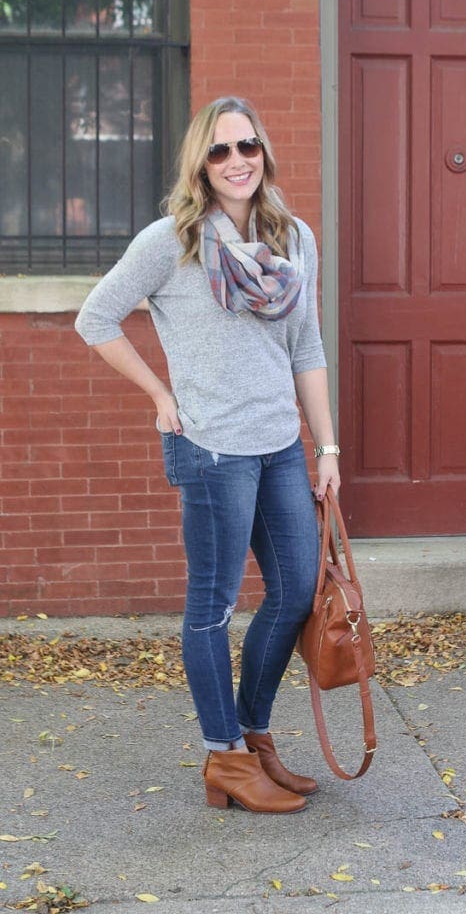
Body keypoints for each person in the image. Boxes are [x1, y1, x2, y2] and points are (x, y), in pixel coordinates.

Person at [75, 96, 340, 814]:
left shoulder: (293, 240)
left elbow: (306, 347)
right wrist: (161, 396)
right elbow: (94, 317)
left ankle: (253, 736)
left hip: (280, 446)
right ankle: (222, 757)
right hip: (211, 449)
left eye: (246, 145)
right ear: (200, 163)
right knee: (212, 608)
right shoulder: (173, 240)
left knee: (290, 595)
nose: (235, 161)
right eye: (219, 151)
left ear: (263, 152)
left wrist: (326, 446)